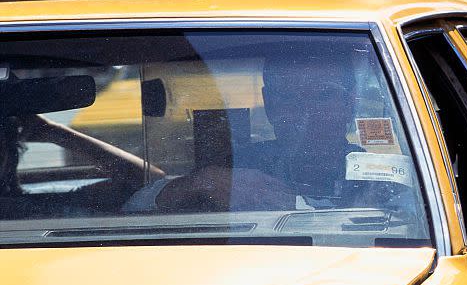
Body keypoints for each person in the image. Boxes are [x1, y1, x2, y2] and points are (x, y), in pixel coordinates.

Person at [125, 51, 368, 213]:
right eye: (289, 98)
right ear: (270, 103)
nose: (305, 111)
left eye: (323, 96)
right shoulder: (238, 164)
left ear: (350, 103)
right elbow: (133, 208)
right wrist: (202, 183)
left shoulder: (380, 176)